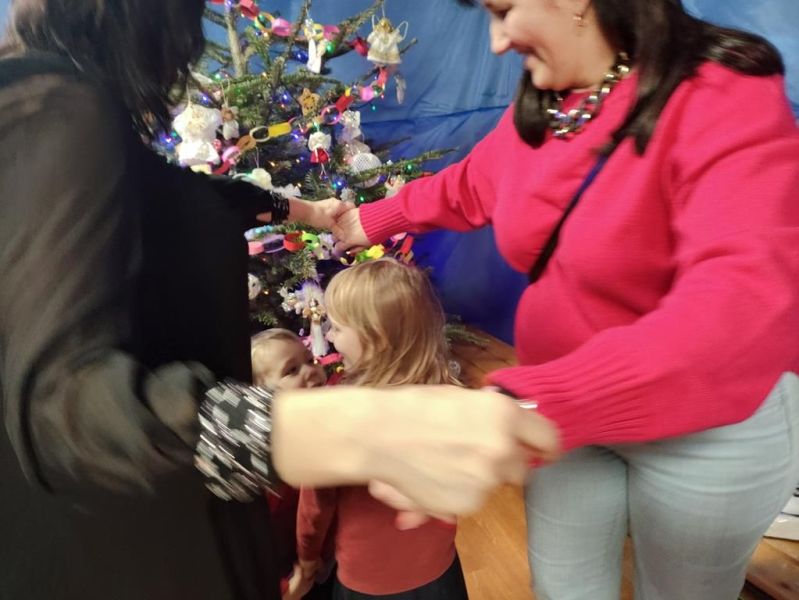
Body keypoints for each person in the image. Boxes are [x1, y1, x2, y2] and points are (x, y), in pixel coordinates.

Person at [0, 1, 560, 599]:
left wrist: (307, 212)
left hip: (178, 520)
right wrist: (347, 430)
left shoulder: (90, 116)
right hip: (124, 551)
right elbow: (62, 407)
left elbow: (186, 197)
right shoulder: (50, 104)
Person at [330, 0, 799, 598]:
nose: (497, 43)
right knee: (562, 587)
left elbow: (736, 305)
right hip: (563, 418)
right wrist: (369, 220)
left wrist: (519, 411)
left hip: (702, 432)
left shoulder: (723, 94)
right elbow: (473, 183)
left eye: (504, 11)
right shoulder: (551, 103)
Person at [295, 259, 468, 600]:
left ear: (376, 337)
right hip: (439, 569)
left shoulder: (333, 415)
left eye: (337, 328)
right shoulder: (449, 398)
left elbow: (314, 508)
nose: (328, 336)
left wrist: (307, 559)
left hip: (367, 580)